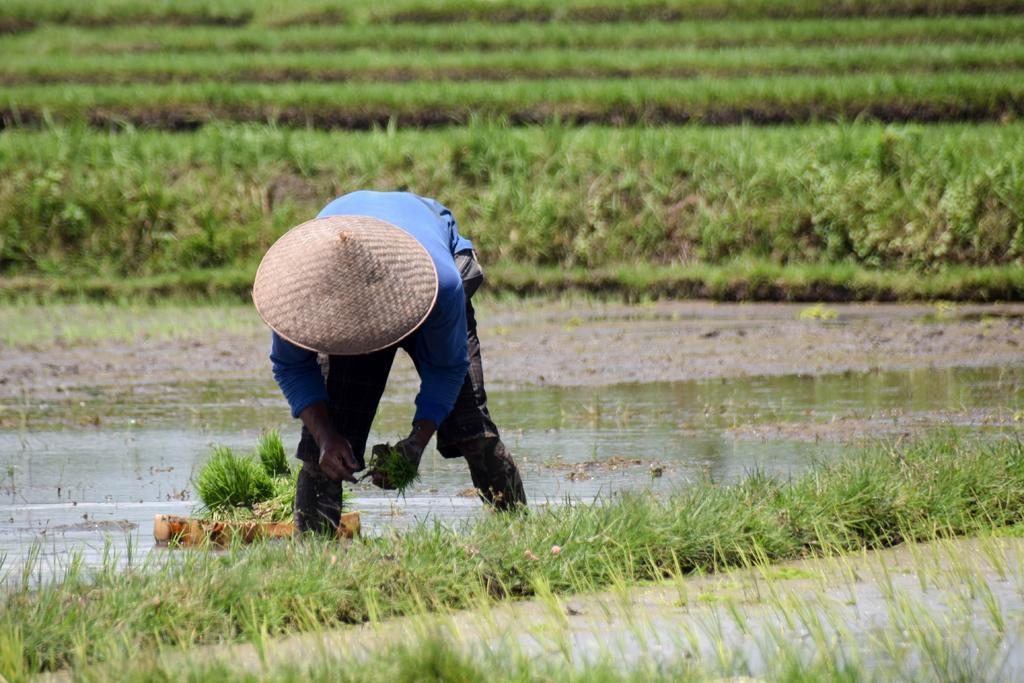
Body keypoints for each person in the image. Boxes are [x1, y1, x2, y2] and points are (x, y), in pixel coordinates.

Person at [252, 190, 527, 535]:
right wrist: (326, 437)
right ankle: (313, 559)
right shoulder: (298, 291)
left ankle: (520, 536)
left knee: (472, 430)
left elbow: (448, 367)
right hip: (340, 265)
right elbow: (290, 366)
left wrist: (417, 441)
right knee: (322, 457)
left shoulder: (442, 284)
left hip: (421, 270)